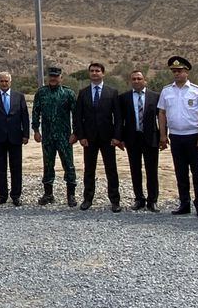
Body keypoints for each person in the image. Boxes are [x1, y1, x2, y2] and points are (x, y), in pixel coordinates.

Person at [158, 56, 198, 218]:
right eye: (174, 71)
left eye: (179, 71)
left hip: (193, 136)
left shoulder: (197, 91)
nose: (176, 74)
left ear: (187, 72)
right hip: (176, 137)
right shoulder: (166, 91)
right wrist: (163, 135)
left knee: (197, 172)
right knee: (180, 172)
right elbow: (162, 113)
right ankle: (184, 203)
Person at [73, 62, 123, 211]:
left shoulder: (112, 92)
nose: (94, 73)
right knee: (89, 169)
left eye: (97, 71)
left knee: (111, 170)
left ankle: (115, 201)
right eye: (92, 71)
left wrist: (117, 136)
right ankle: (88, 199)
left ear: (103, 73)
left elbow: (118, 117)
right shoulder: (83, 93)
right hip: (89, 139)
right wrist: (81, 136)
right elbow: (77, 117)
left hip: (108, 138)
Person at [0, 71, 30, 207]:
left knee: (16, 168)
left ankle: (16, 196)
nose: (4, 83)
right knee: (0, 168)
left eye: (6, 81)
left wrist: (26, 134)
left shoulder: (19, 96)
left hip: (15, 137)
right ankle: (2, 195)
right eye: (2, 81)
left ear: (10, 82)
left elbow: (25, 116)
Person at [31, 66, 75, 206]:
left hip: (64, 136)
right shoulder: (41, 93)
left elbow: (76, 114)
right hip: (48, 136)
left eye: (56, 76)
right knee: (48, 165)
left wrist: (75, 133)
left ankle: (71, 195)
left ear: (61, 77)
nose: (53, 79)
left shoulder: (68, 93)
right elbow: (35, 112)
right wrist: (36, 130)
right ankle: (48, 194)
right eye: (51, 76)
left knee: (68, 165)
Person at [118, 70, 160, 211]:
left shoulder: (155, 97)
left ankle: (152, 200)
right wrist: (120, 138)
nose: (136, 81)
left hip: (151, 138)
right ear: (130, 81)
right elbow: (120, 120)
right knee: (135, 170)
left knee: (152, 170)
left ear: (144, 80)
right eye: (134, 79)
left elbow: (161, 118)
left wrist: (163, 137)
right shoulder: (124, 98)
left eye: (139, 78)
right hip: (132, 139)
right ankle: (139, 199)